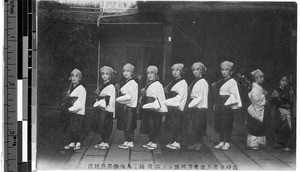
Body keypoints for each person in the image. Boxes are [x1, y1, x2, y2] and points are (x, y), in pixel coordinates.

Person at [212, 61, 242, 150]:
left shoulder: (232, 81)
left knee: (227, 122)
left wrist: (227, 103)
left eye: (226, 70)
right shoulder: (220, 81)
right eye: (222, 70)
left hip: (227, 102)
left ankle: (228, 142)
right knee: (219, 121)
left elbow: (234, 94)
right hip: (219, 102)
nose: (224, 72)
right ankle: (221, 141)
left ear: (229, 71)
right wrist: (215, 103)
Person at [140, 66, 168, 150]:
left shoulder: (157, 84)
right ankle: (150, 141)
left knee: (155, 125)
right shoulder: (148, 84)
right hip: (150, 107)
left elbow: (157, 98)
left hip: (155, 108)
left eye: (152, 73)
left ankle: (155, 142)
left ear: (156, 74)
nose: (149, 75)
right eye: (148, 73)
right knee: (150, 125)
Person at [185, 62, 209, 151]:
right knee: (194, 126)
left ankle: (198, 143)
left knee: (198, 125)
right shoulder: (196, 81)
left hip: (199, 106)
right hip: (194, 105)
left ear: (202, 71)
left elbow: (201, 97)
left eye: (198, 70)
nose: (195, 72)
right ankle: (194, 142)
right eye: (194, 70)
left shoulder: (202, 82)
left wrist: (190, 105)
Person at [164, 63, 188, 150]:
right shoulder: (173, 81)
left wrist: (167, 101)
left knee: (177, 124)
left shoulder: (183, 82)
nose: (174, 72)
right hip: (172, 106)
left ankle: (177, 142)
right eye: (173, 70)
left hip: (177, 107)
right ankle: (173, 141)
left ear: (181, 71)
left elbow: (180, 97)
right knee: (172, 124)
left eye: (177, 70)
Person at [116, 63, 139, 149]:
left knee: (130, 124)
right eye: (124, 71)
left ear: (131, 73)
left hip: (130, 107)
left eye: (128, 71)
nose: (125, 73)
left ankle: (130, 141)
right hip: (125, 106)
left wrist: (119, 99)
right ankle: (126, 140)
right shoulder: (125, 82)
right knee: (125, 124)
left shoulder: (133, 83)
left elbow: (131, 97)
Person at [92, 66, 116, 150]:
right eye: (103, 74)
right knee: (102, 124)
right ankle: (103, 140)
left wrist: (102, 101)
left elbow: (110, 98)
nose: (104, 76)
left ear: (110, 76)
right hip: (102, 106)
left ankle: (106, 141)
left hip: (107, 107)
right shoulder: (103, 85)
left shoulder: (111, 86)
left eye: (107, 74)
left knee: (106, 124)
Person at [64, 69, 87, 150]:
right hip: (72, 110)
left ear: (80, 78)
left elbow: (80, 103)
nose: (74, 78)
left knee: (77, 127)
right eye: (72, 76)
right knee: (71, 126)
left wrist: (70, 109)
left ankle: (78, 142)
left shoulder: (81, 89)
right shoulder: (71, 88)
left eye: (76, 76)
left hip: (78, 111)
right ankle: (73, 141)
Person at [269, 76, 293, 151]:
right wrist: (278, 99)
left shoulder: (288, 91)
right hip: (278, 111)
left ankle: (286, 144)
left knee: (288, 126)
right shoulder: (276, 91)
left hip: (287, 111)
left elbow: (290, 102)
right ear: (279, 81)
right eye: (283, 80)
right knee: (281, 125)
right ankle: (280, 144)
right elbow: (271, 101)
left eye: (286, 81)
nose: (284, 83)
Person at [246, 69, 267, 150]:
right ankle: (254, 143)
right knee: (255, 126)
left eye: (263, 77)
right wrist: (264, 95)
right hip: (255, 109)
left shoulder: (259, 87)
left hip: (259, 109)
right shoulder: (254, 88)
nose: (262, 79)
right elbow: (256, 99)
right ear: (256, 78)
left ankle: (259, 142)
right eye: (260, 77)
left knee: (259, 126)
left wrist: (263, 94)